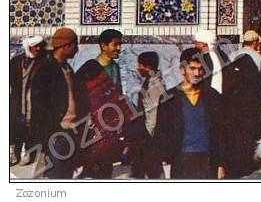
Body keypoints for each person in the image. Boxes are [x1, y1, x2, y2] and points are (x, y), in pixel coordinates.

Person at [156, 47, 226, 179]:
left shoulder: (212, 96)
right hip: (181, 161)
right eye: (192, 69)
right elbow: (161, 133)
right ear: (182, 69)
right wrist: (161, 165)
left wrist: (221, 164)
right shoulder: (169, 98)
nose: (197, 73)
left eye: (200, 69)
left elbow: (220, 132)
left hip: (207, 160)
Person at [76, 28, 129, 179]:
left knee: (106, 164)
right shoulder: (90, 68)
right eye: (115, 44)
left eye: (120, 44)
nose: (119, 48)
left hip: (109, 124)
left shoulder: (115, 67)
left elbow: (118, 93)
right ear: (103, 46)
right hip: (92, 125)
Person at [30, 28, 81, 179]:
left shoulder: (66, 67)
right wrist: (53, 133)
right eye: (74, 45)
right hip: (57, 135)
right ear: (65, 46)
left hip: (70, 132)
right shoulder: (46, 69)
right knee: (56, 178)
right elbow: (40, 107)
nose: (77, 50)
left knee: (65, 176)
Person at [222, 30, 261, 178]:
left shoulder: (233, 55)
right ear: (255, 42)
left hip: (233, 105)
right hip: (248, 108)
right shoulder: (257, 58)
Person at [129, 51, 167, 178]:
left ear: (147, 67)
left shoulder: (155, 86)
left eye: (140, 65)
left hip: (150, 136)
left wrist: (149, 135)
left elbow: (153, 112)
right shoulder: (150, 81)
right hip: (146, 135)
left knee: (153, 170)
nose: (137, 68)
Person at [10, 35, 46, 166]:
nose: (37, 49)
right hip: (17, 100)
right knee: (14, 125)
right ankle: (14, 152)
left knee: (30, 126)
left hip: (34, 101)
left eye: (39, 46)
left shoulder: (43, 62)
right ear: (28, 47)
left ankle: (28, 152)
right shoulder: (15, 61)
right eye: (34, 46)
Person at [194, 28, 229, 95]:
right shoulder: (222, 54)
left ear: (203, 44)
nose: (195, 45)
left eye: (196, 42)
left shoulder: (203, 58)